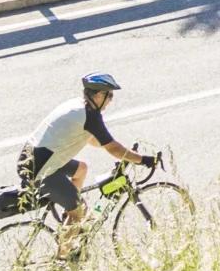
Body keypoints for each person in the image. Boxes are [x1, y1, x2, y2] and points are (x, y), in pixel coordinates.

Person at [21, 72, 157, 257]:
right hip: (41, 170)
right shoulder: (91, 116)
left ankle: (69, 219)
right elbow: (112, 148)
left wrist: (124, 154)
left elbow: (94, 140)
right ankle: (62, 260)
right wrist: (143, 159)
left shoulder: (78, 106)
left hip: (33, 158)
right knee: (79, 211)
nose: (111, 100)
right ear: (99, 95)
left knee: (81, 168)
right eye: (110, 95)